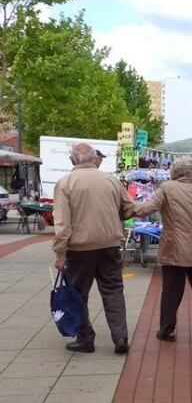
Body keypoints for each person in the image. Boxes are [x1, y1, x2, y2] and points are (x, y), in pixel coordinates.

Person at [134, 156, 192, 349]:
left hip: (173, 250)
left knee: (171, 293)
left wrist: (124, 207)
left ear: (174, 172)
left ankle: (167, 330)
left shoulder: (167, 188)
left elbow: (146, 209)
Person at [53, 143, 135, 354]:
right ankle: (120, 337)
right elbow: (129, 209)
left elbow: (62, 225)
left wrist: (60, 253)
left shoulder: (65, 183)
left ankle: (85, 338)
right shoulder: (111, 181)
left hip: (80, 248)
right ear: (94, 159)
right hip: (110, 244)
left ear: (72, 160)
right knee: (113, 290)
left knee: (79, 293)